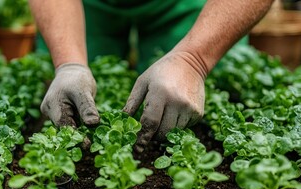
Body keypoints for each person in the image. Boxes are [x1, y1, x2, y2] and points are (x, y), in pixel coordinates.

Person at [28, 0, 274, 152]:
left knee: (187, 95)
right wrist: (69, 63)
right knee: (76, 98)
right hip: (85, 6)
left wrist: (194, 59)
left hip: (185, 5)